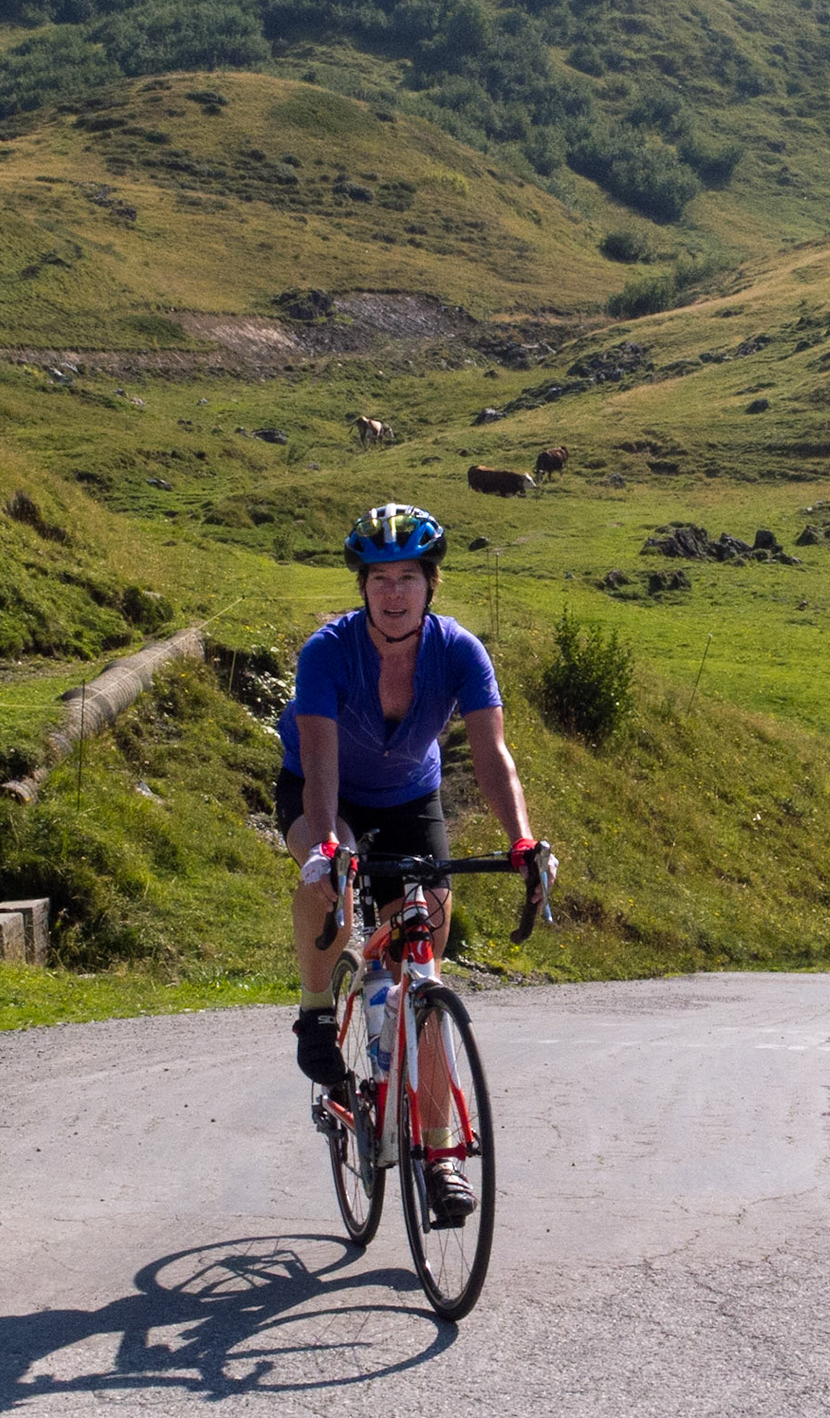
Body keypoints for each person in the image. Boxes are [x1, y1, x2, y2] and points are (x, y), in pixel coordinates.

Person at [274, 502, 550, 1220]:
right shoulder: (327, 652)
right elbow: (320, 759)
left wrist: (522, 839)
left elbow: (491, 754)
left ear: (431, 585)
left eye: (407, 578)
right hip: (322, 789)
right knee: (327, 874)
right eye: (379, 579)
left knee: (423, 969)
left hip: (408, 797)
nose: (393, 593)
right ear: (362, 588)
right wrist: (329, 847)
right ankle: (315, 1011)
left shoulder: (459, 652)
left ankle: (442, 1156)